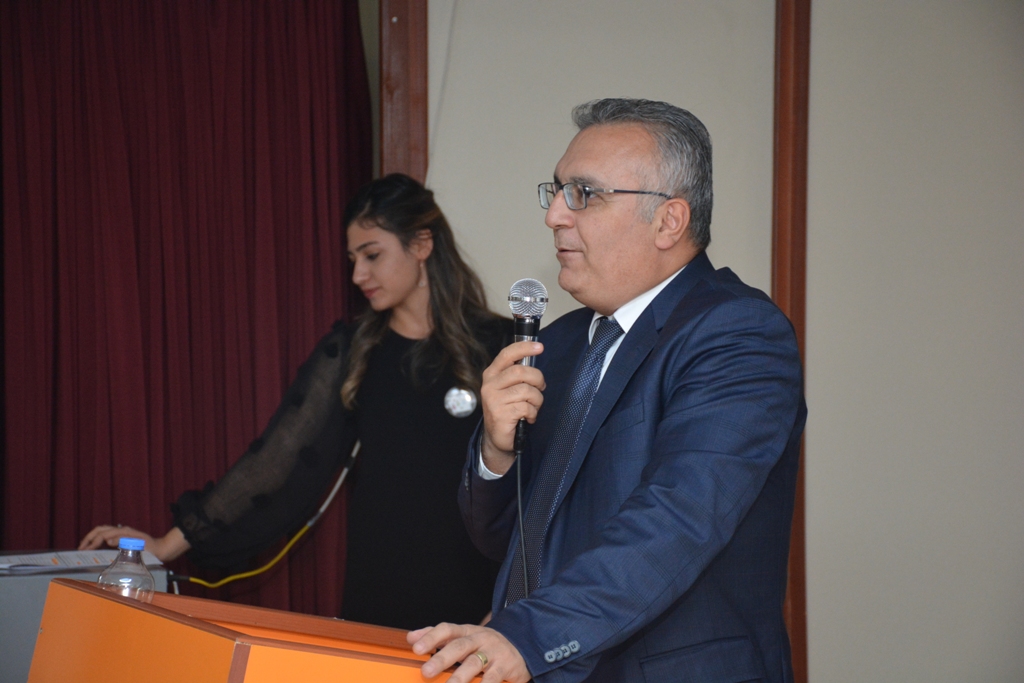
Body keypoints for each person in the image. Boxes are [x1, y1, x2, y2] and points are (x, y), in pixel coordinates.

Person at [407, 99, 807, 683]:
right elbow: (507, 542)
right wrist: (496, 451)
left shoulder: (737, 333)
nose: (555, 216)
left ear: (669, 221)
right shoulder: (560, 342)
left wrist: (528, 636)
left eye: (585, 195)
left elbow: (679, 518)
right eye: (557, 191)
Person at [80, 173, 509, 630]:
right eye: (352, 260)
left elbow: (539, 488)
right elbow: (277, 461)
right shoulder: (352, 352)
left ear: (421, 244)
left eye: (372, 255)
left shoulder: (500, 345)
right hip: (379, 596)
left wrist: (514, 599)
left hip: (478, 601)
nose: (358, 276)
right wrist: (167, 545)